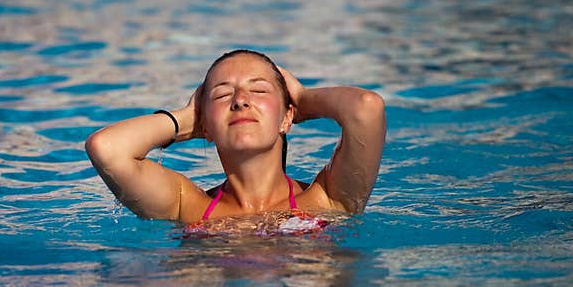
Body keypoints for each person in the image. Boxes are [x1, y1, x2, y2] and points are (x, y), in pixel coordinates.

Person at [84, 49, 386, 234]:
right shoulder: (185, 206)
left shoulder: (328, 198)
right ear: (207, 126)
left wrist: (305, 100)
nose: (241, 100)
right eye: (223, 94)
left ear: (286, 117)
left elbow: (366, 108)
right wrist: (187, 118)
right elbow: (106, 149)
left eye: (259, 91)